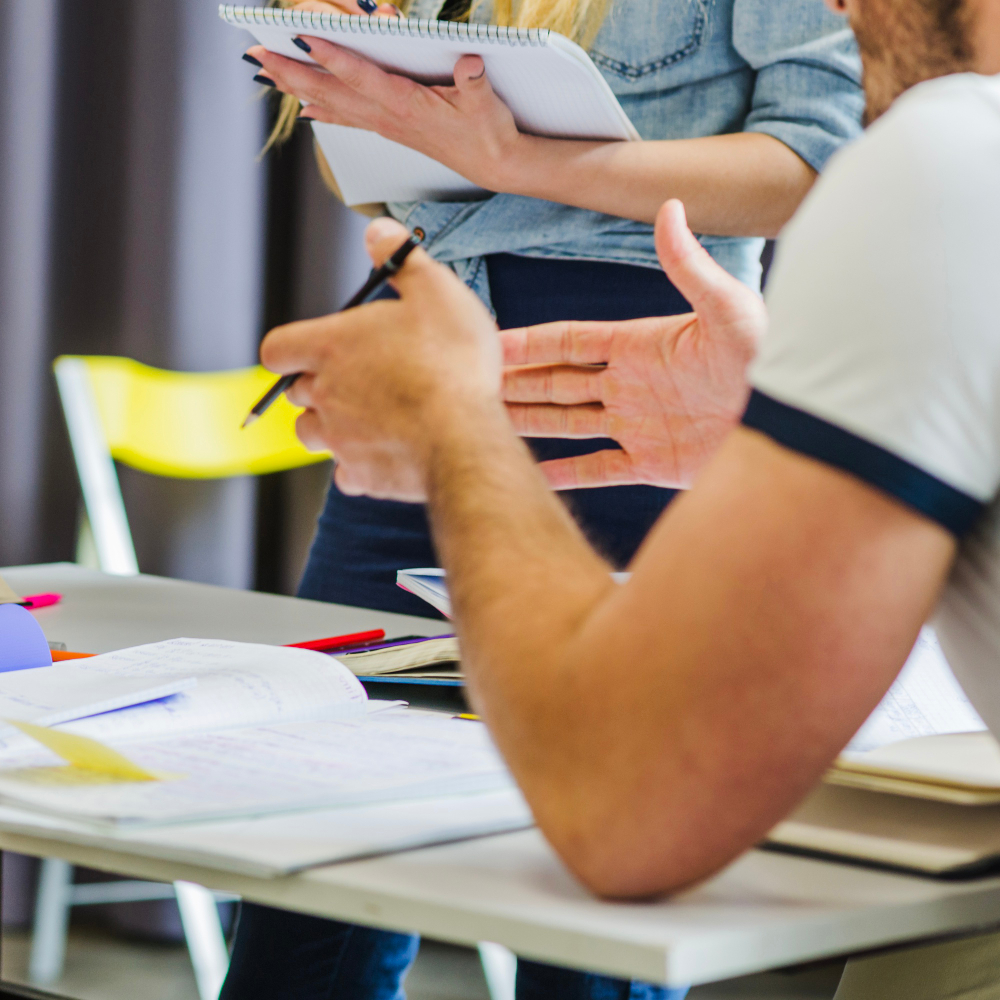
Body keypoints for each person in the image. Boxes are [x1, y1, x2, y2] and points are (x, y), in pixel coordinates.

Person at [248, 0, 1000, 996]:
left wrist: (513, 171)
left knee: (589, 929)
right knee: (310, 817)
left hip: (633, 350)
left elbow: (631, 815)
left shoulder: (944, 164)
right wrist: (352, 86)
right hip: (465, 322)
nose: (835, 4)